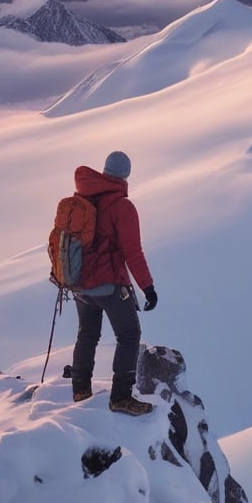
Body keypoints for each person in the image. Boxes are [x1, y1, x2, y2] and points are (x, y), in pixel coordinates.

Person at [69, 151, 158, 415]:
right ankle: (121, 397)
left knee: (87, 335)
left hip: (80, 284)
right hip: (109, 284)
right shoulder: (122, 207)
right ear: (126, 175)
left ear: (105, 170)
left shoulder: (83, 197)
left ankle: (80, 389)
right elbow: (133, 252)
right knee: (129, 335)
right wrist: (148, 288)